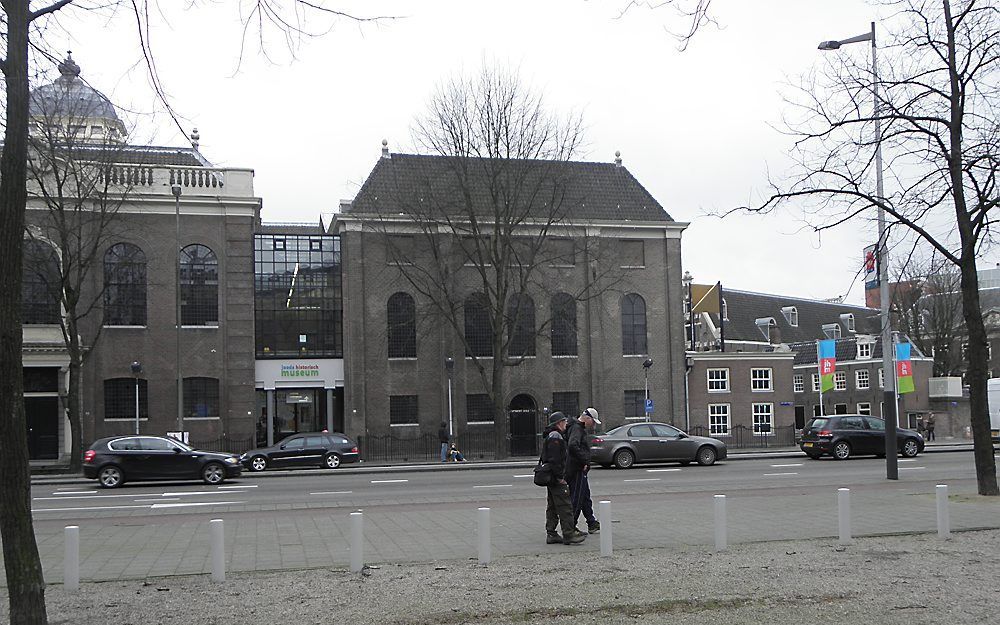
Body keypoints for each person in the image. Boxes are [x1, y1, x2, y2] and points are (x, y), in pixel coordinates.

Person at [541, 412, 586, 545]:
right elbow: (555, 459)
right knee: (565, 506)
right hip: (556, 478)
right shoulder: (556, 436)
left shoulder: (552, 435)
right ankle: (569, 534)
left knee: (553, 506)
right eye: (564, 422)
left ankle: (551, 533)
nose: (566, 424)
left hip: (551, 477)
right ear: (559, 423)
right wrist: (560, 477)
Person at [565, 407, 601, 534]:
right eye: (593, 422)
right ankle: (571, 527)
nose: (593, 425)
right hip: (577, 469)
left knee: (585, 496)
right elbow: (572, 445)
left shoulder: (575, 427)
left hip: (577, 468)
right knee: (577, 497)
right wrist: (584, 461)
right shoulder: (577, 428)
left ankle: (591, 522)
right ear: (587, 419)